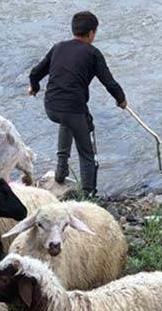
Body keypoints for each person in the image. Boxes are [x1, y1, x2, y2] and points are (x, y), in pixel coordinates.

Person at [28, 11, 127, 197]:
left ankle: (60, 172)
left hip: (50, 106)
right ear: (91, 33)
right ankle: (89, 194)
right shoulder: (93, 53)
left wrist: (34, 88)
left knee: (68, 121)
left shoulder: (58, 47)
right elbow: (109, 83)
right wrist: (121, 100)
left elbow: (35, 73)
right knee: (87, 153)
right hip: (73, 108)